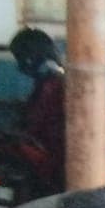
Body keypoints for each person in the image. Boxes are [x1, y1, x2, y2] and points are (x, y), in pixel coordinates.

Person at [9, 27, 68, 191]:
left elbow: (36, 122)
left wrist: (21, 131)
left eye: (20, 58)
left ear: (30, 59)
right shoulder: (55, 78)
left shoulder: (52, 84)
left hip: (53, 157)